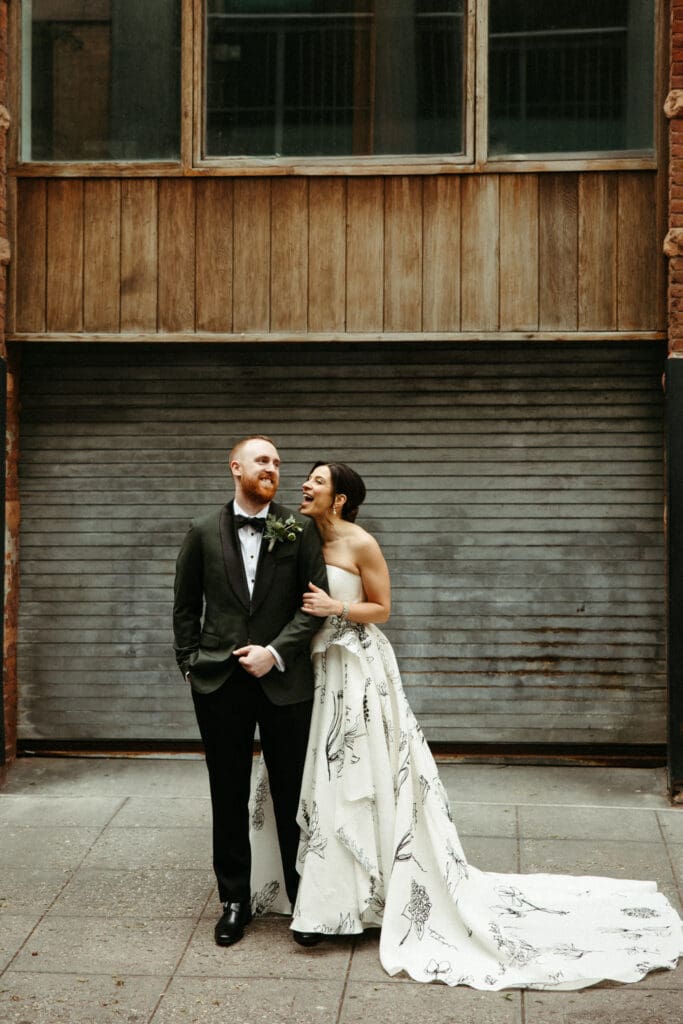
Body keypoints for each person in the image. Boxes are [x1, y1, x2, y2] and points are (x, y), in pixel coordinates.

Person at [248, 460, 683, 990]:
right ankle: (322, 894)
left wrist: (337, 604)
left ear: (339, 498)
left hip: (357, 669)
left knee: (357, 778)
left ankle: (350, 904)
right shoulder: (297, 534)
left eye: (317, 481)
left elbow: (382, 608)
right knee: (313, 772)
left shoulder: (361, 543)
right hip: (310, 670)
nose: (305, 485)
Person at [173, 436, 327, 948]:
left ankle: (303, 898)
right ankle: (234, 900)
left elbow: (313, 606)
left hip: (285, 681)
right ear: (235, 467)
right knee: (228, 790)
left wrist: (275, 652)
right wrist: (189, 665)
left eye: (279, 463)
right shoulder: (200, 532)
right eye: (263, 460)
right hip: (219, 683)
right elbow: (184, 606)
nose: (274, 469)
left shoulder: (300, 529)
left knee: (291, 793)